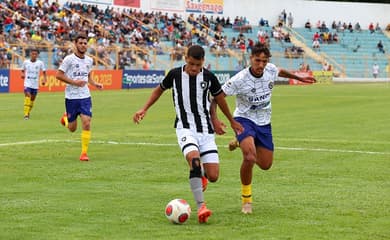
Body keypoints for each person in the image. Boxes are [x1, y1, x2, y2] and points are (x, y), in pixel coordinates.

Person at [132, 45, 243, 223]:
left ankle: (201, 177)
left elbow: (219, 99)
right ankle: (201, 207)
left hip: (206, 131)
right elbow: (158, 90)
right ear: (185, 58)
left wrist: (229, 120)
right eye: (191, 64)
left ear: (203, 62)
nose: (193, 68)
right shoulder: (175, 75)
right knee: (194, 159)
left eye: (197, 65)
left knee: (213, 176)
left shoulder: (209, 77)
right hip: (185, 128)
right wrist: (144, 108)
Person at [218, 43, 316, 214]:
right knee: (249, 158)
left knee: (265, 164)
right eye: (257, 60)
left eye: (264, 61)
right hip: (244, 119)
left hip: (264, 122)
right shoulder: (239, 79)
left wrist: (301, 78)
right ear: (251, 59)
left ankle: (241, 141)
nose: (261, 65)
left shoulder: (270, 69)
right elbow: (218, 97)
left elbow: (281, 71)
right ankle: (246, 200)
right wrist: (220, 120)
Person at [56, 33, 103, 161]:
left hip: (85, 96)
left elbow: (88, 76)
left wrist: (95, 84)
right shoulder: (69, 59)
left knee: (87, 122)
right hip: (71, 97)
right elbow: (58, 75)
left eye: (85, 43)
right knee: (72, 128)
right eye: (80, 43)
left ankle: (83, 153)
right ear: (76, 44)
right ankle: (65, 120)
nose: (83, 45)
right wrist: (73, 82)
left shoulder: (89, 60)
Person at [21, 48, 47, 120]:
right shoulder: (26, 62)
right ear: (30, 54)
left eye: (35, 54)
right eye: (33, 54)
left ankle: (28, 112)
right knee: (27, 96)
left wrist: (45, 79)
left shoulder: (40, 63)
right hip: (27, 84)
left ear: (37, 55)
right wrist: (22, 74)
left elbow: (44, 72)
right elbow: (22, 70)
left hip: (35, 85)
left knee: (32, 100)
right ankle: (26, 115)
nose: (34, 55)